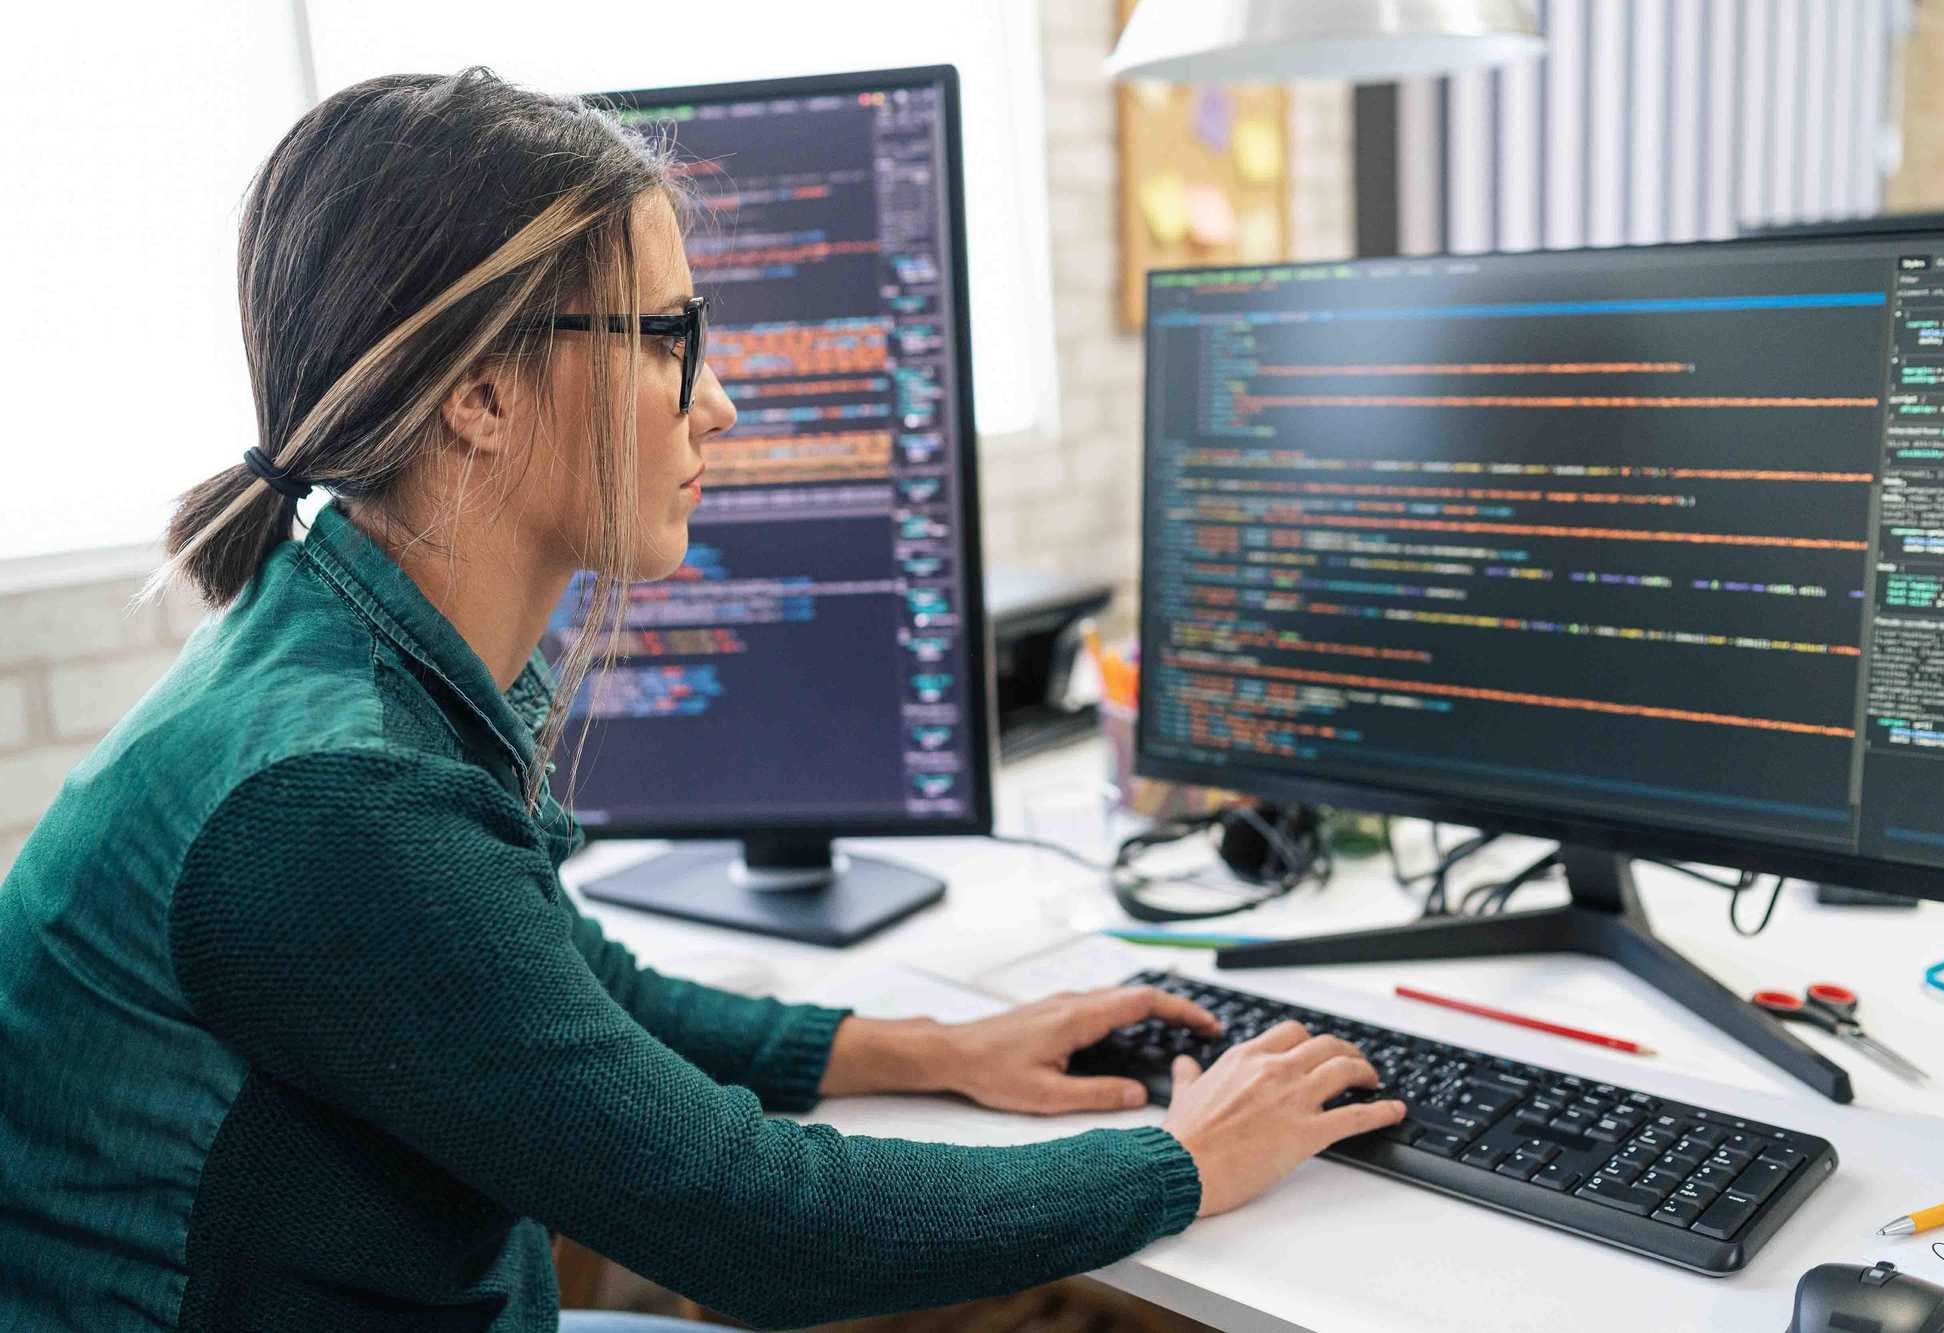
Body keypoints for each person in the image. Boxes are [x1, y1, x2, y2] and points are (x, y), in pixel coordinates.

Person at [0, 68, 1405, 1333]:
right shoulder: (337, 798)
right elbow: (754, 1227)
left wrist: (938, 1050)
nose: (716, 401)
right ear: (479, 393)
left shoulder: (345, 648)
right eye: (669, 335)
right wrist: (1181, 1159)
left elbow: (569, 996)